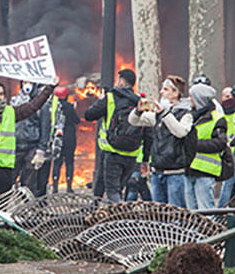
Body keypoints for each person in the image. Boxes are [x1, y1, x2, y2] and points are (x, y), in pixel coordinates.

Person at [128, 75, 189, 207]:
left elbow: (180, 132)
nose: (161, 92)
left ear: (176, 93)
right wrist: (138, 111)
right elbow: (134, 121)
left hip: (175, 173)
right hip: (156, 172)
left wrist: (165, 114)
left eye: (165, 89)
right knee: (159, 214)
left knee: (176, 213)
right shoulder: (158, 115)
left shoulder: (186, 113)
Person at [84, 69, 143, 203]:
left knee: (113, 192)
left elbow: (89, 115)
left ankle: (118, 220)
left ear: (121, 82)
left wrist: (100, 99)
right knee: (115, 188)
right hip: (132, 154)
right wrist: (144, 159)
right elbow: (148, 132)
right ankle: (95, 211)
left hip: (112, 151)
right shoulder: (140, 101)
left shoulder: (110, 97)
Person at [183, 83, 228, 210]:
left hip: (205, 171)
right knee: (191, 213)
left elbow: (220, 143)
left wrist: (194, 145)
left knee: (206, 211)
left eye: (192, 97)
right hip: (189, 169)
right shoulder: (190, 117)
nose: (189, 99)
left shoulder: (217, 118)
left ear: (199, 98)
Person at [11, 82, 49, 196]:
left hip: (32, 147)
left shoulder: (42, 105)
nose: (27, 85)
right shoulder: (13, 101)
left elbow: (45, 127)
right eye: (24, 82)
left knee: (29, 184)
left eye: (30, 82)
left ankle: (27, 209)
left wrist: (41, 150)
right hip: (14, 145)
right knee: (8, 180)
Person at [48, 86, 81, 193]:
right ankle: (69, 187)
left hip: (57, 138)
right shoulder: (69, 107)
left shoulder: (52, 108)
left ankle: (55, 187)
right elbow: (77, 120)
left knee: (57, 162)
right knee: (69, 162)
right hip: (69, 138)